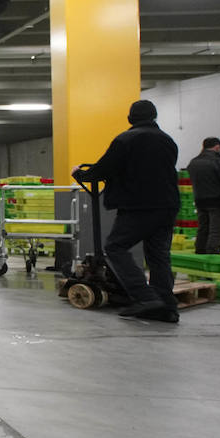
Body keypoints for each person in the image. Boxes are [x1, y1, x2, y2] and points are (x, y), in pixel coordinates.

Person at [72, 100, 180, 323]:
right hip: (167, 205)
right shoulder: (168, 140)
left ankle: (145, 297)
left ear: (131, 118)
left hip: (138, 206)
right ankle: (167, 307)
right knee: (158, 256)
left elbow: (103, 168)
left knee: (115, 247)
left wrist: (80, 174)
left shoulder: (126, 139)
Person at [187, 137, 220, 254]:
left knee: (203, 227)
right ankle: (213, 253)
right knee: (217, 229)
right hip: (217, 200)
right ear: (217, 147)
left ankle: (200, 250)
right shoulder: (219, 162)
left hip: (200, 199)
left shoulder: (193, 162)